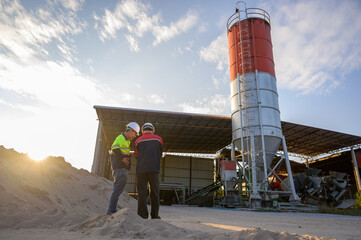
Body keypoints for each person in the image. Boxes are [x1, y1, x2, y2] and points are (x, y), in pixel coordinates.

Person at [107, 122, 140, 215]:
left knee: (118, 190)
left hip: (123, 168)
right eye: (135, 134)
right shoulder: (121, 138)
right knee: (117, 190)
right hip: (120, 168)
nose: (134, 136)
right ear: (131, 130)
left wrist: (130, 154)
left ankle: (112, 209)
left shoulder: (126, 141)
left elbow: (123, 152)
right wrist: (122, 159)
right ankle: (111, 210)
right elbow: (114, 148)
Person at [135, 123, 163, 219]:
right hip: (154, 169)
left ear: (142, 131)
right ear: (153, 130)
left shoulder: (137, 141)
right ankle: (155, 216)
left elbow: (136, 155)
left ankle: (142, 215)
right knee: (154, 192)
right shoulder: (159, 139)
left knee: (142, 193)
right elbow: (160, 154)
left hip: (140, 171)